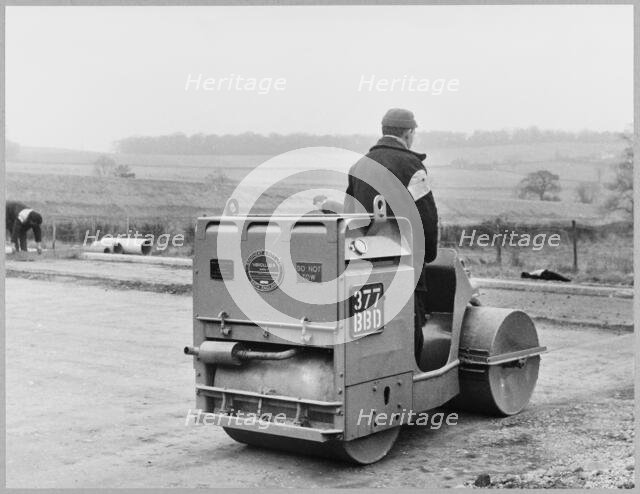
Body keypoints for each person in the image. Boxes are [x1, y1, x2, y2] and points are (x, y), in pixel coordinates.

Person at [344, 108, 438, 366]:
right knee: (408, 323)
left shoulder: (359, 165)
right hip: (404, 262)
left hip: (366, 263)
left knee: (373, 327)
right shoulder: (412, 166)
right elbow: (426, 218)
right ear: (409, 133)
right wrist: (428, 254)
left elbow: (349, 216)